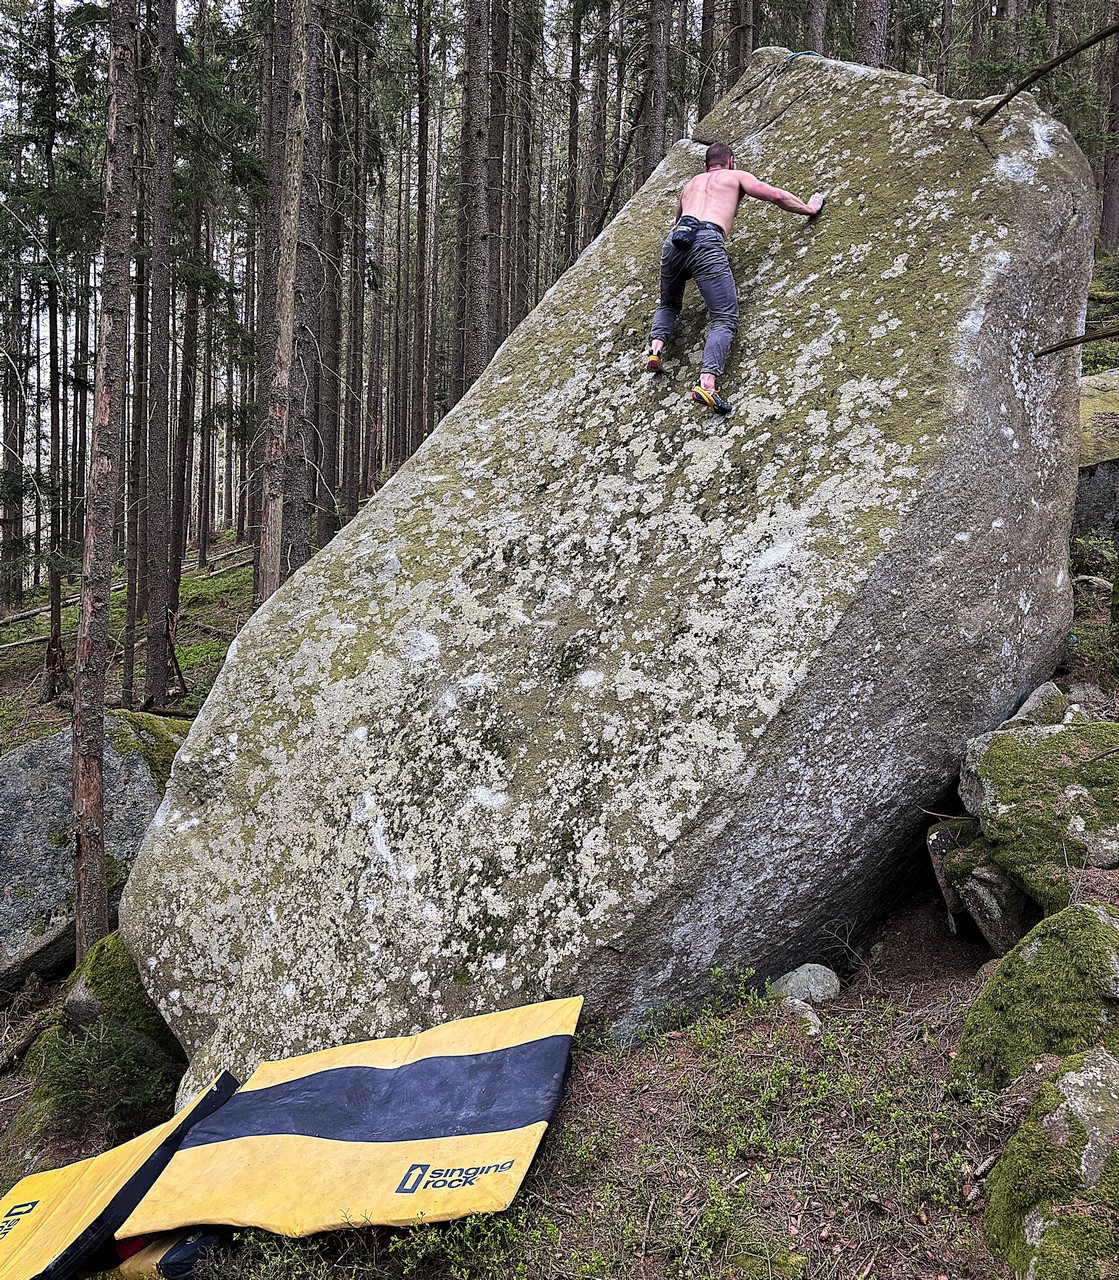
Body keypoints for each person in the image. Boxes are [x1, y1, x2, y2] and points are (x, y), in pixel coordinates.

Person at [647, 141, 825, 415]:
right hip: (707, 240)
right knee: (724, 318)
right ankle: (707, 382)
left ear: (706, 166)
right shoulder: (736, 176)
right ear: (730, 162)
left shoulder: (692, 183)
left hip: (675, 241)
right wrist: (809, 209)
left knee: (668, 304)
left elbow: (679, 219)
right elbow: (775, 195)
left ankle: (656, 349)